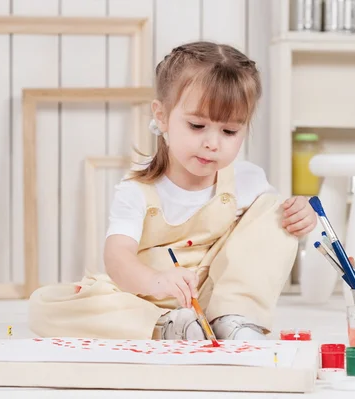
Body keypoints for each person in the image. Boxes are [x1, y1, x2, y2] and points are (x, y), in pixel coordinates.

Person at [28, 41, 318, 341]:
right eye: (197, 125)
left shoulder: (246, 180)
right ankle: (166, 328)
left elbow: (265, 242)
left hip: (215, 298)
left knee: (276, 209)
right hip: (147, 302)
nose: (213, 143)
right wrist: (155, 281)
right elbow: (117, 258)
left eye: (229, 131)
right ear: (162, 116)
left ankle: (236, 319)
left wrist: (300, 214)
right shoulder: (138, 190)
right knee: (45, 306)